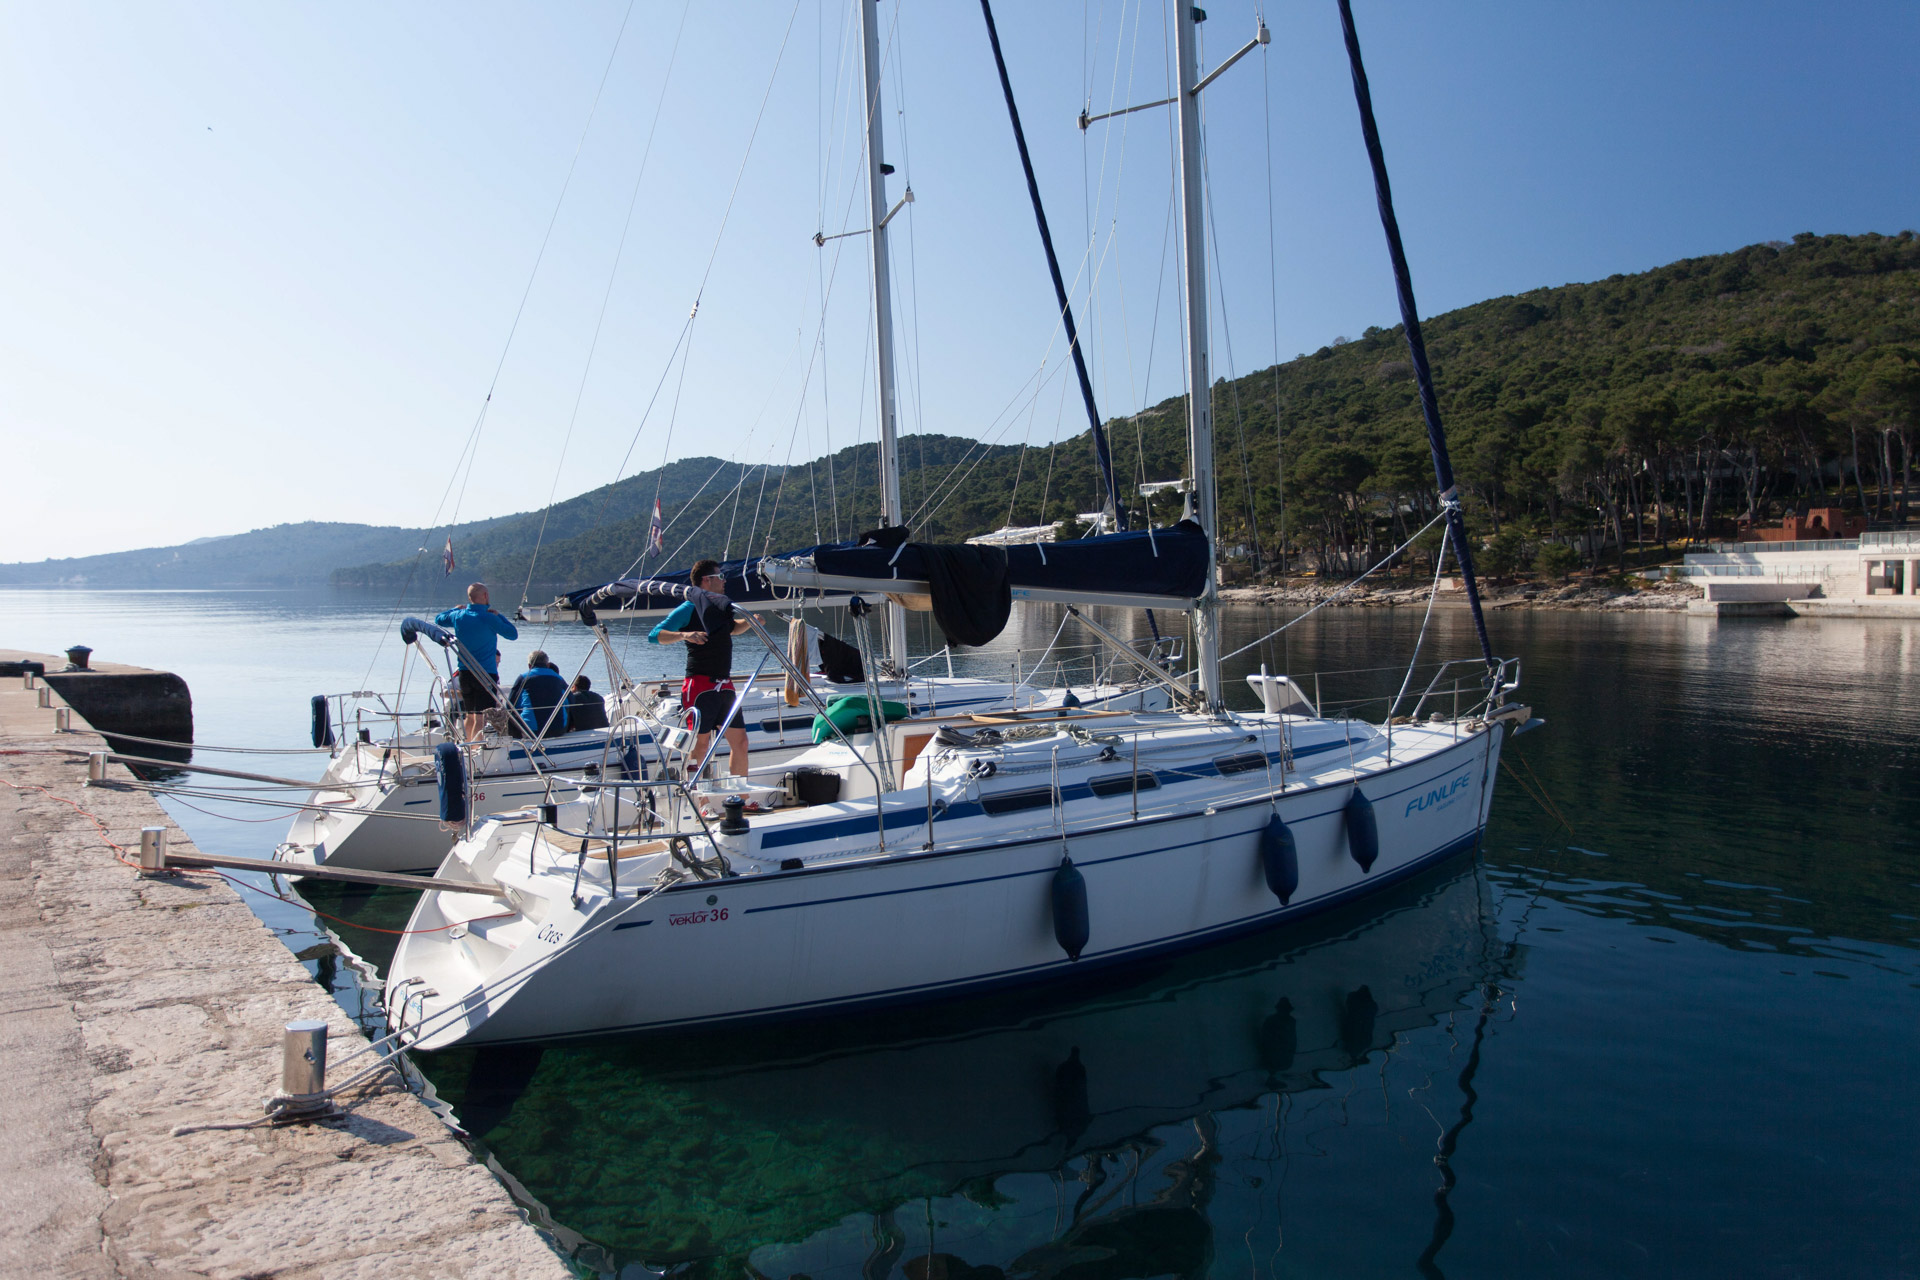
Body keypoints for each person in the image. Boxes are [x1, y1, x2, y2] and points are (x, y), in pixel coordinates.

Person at [649, 559, 751, 776]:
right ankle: (698, 795)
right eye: (720, 576)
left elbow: (732, 629)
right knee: (700, 745)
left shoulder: (719, 608)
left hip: (725, 684)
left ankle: (741, 793)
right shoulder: (689, 607)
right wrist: (684, 634)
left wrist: (751, 621)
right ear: (706, 580)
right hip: (700, 684)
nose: (724, 581)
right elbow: (654, 635)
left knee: (741, 742)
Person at [435, 583, 518, 742]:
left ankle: (467, 746)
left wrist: (454, 609)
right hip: (485, 673)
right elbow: (512, 634)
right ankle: (476, 749)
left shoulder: (458, 616)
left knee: (470, 715)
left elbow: (438, 619)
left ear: (469, 598)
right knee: (481, 717)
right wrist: (499, 616)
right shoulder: (489, 617)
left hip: (465, 673)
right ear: (485, 596)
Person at [504, 650, 570, 739]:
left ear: (529, 666)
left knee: (509, 715)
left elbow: (510, 705)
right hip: (559, 729)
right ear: (547, 665)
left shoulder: (523, 678)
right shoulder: (559, 678)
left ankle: (515, 740)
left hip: (532, 731)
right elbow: (570, 700)